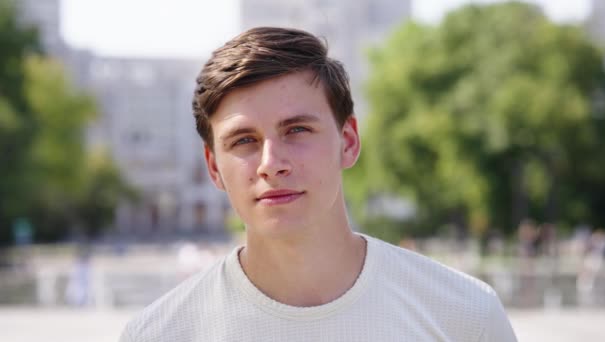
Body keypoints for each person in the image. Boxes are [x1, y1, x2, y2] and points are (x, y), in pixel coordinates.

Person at [120, 27, 517, 342]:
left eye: (296, 130)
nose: (271, 164)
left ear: (348, 141)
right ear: (214, 167)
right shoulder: (158, 335)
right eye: (244, 141)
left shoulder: (465, 316)